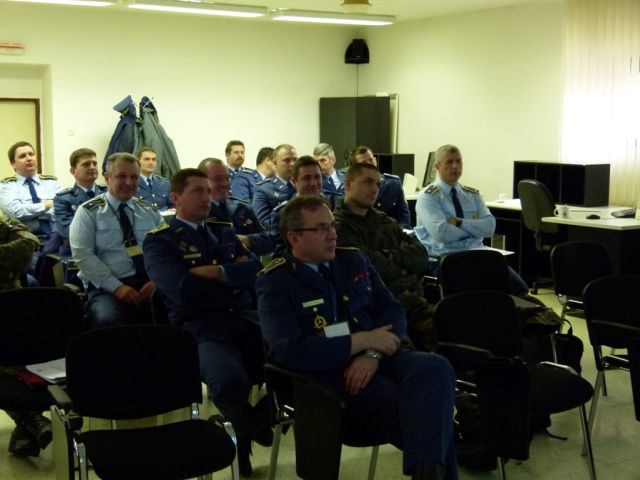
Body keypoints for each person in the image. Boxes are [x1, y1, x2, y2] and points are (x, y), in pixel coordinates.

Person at [256, 196, 458, 480]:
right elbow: (287, 351)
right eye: (321, 228)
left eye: (332, 226)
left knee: (436, 367)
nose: (332, 235)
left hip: (379, 356)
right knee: (426, 412)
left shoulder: (352, 260)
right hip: (330, 374)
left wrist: (372, 354)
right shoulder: (276, 281)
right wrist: (362, 341)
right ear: (294, 238)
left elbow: (393, 310)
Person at [143, 168, 269, 477]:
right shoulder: (160, 241)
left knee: (300, 365)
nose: (207, 198)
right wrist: (232, 285)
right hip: (200, 329)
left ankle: (252, 423)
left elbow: (256, 271)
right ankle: (243, 441)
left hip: (245, 320)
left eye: (209, 191)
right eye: (198, 191)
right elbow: (183, 292)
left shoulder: (222, 231)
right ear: (176, 198)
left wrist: (218, 273)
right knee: (229, 382)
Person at [334, 162, 436, 351]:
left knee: (458, 334)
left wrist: (387, 256)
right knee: (410, 357)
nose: (375, 189)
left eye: (378, 184)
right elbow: (371, 268)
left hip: (414, 302)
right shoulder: (338, 227)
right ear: (347, 184)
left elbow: (422, 256)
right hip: (380, 309)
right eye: (367, 182)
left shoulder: (384, 220)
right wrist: (403, 264)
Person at [414, 144, 528, 293]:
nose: (455, 166)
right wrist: (474, 229)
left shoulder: (472, 195)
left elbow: (490, 228)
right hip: (447, 258)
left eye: (458, 161)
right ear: (437, 167)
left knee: (520, 289)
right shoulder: (428, 197)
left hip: (478, 253)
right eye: (449, 162)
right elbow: (441, 233)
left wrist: (459, 223)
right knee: (479, 293)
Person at [70, 152, 164, 328]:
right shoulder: (88, 212)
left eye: (134, 177)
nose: (128, 183)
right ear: (107, 178)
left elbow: (164, 251)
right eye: (121, 176)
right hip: (107, 287)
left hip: (151, 283)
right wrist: (117, 287)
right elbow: (83, 256)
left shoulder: (150, 211)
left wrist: (157, 281)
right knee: (107, 320)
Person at [0, 214, 52, 458]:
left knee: (15, 358)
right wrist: (6, 266)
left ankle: (26, 427)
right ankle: (31, 420)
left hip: (7, 303)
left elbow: (28, 241)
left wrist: (11, 265)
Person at [199, 158, 273, 256]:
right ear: (201, 181)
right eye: (218, 179)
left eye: (227, 178)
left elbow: (269, 240)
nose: (225, 183)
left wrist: (248, 240)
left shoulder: (242, 207)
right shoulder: (196, 212)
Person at [268, 155, 340, 257]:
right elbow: (279, 253)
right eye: (307, 178)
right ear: (294, 182)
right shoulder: (282, 213)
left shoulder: (333, 202)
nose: (313, 183)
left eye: (317, 177)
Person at [0, 141, 62, 240]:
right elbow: (15, 212)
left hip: (55, 236)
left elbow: (62, 208)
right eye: (22, 156)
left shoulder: (51, 182)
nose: (29, 158)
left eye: (31, 154)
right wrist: (46, 205)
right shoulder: (6, 185)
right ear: (13, 164)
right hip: (23, 239)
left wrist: (29, 213)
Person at [54, 148, 107, 256]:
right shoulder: (63, 199)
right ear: (73, 171)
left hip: (110, 249)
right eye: (86, 164)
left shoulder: (108, 193)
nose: (92, 167)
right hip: (79, 253)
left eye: (94, 163)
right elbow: (71, 232)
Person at [351, 145, 411, 228]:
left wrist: (400, 233)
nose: (370, 164)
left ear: (376, 160)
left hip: (392, 232)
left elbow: (404, 217)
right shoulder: (353, 188)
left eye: (371, 160)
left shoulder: (393, 184)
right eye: (364, 163)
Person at [251, 144, 297, 226]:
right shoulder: (263, 189)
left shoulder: (304, 185)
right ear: (275, 163)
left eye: (295, 160)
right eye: (287, 160)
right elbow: (263, 225)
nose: (292, 164)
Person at [135, 146, 173, 210]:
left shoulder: (165, 183)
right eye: (147, 159)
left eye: (153, 159)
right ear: (138, 162)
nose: (151, 163)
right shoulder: (131, 184)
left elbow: (173, 205)